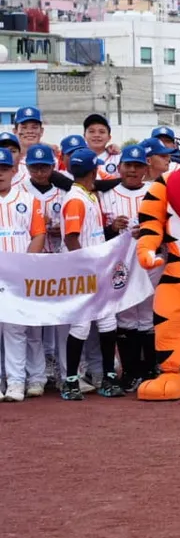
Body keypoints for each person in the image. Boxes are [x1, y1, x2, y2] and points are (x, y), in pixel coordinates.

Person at [60, 150, 122, 399]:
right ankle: (71, 381)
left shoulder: (88, 195)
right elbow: (71, 237)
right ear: (94, 171)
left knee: (108, 321)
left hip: (97, 268)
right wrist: (85, 266)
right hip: (83, 270)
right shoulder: (76, 198)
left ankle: (108, 377)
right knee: (82, 325)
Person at [99, 144, 155, 392]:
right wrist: (111, 229)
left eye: (137, 165)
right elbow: (96, 235)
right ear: (119, 167)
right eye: (128, 165)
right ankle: (131, 371)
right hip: (120, 264)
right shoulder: (107, 195)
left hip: (151, 261)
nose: (132, 170)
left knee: (150, 317)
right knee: (126, 317)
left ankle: (151, 369)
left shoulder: (155, 192)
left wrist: (152, 231)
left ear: (146, 168)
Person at [20, 144, 68, 397]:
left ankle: (64, 372)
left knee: (62, 322)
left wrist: (56, 226)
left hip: (58, 259)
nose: (40, 171)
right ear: (27, 168)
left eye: (45, 166)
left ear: (53, 166)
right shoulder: (20, 192)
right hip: (31, 263)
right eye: (35, 167)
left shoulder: (63, 191)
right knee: (33, 324)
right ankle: (36, 376)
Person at [0, 148, 46, 402]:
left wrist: (26, 266)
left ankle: (16, 382)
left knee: (16, 330)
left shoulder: (28, 199)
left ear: (14, 170)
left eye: (4, 169)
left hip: (18, 275)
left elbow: (38, 234)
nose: (0, 174)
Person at [82, 113, 121, 180]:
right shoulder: (76, 158)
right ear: (84, 136)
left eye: (102, 132)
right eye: (91, 131)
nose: (96, 135)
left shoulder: (118, 159)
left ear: (109, 137)